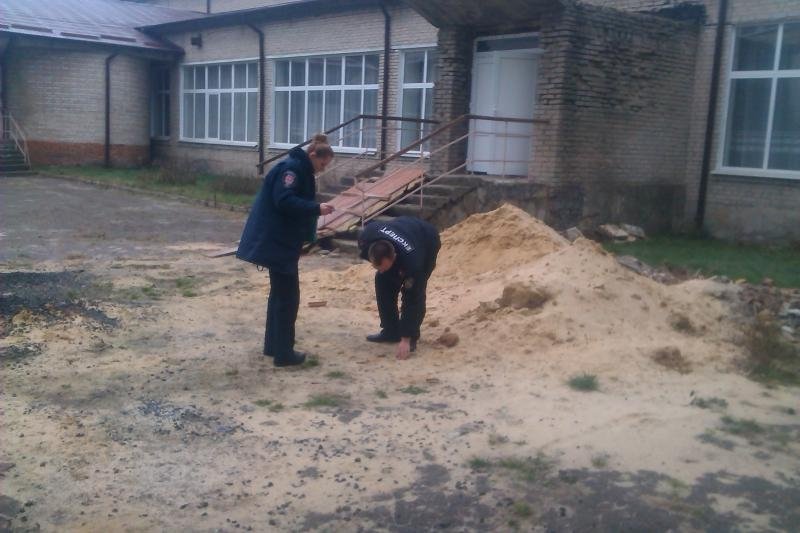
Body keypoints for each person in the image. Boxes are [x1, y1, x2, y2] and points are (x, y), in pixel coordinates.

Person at [236, 134, 335, 367]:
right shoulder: (292, 170)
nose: (322, 169)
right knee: (288, 298)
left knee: (279, 295)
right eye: (322, 164)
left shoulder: (299, 168)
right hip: (276, 241)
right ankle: (284, 353)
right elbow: (284, 200)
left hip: (280, 241)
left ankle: (273, 346)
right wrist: (316, 208)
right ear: (313, 155)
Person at [358, 217, 441, 360]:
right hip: (403, 228)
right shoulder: (365, 238)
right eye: (377, 267)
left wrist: (406, 339)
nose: (381, 270)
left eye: (384, 267)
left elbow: (413, 299)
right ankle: (391, 331)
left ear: (394, 256)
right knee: (382, 280)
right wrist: (387, 271)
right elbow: (383, 268)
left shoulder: (413, 262)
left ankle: (411, 336)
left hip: (426, 239)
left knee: (415, 289)